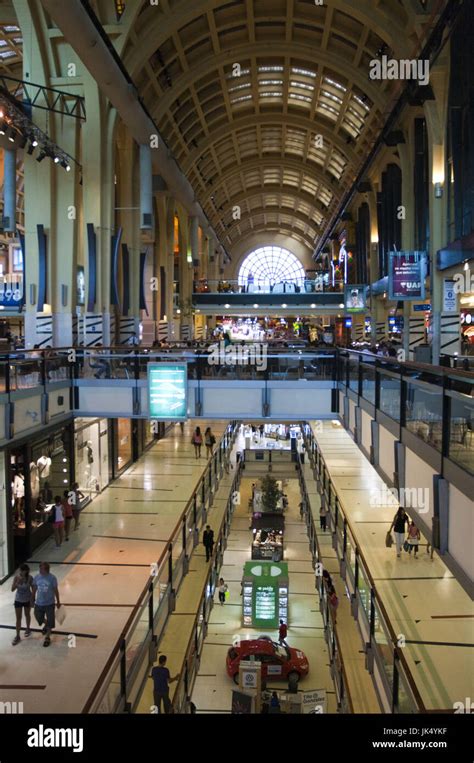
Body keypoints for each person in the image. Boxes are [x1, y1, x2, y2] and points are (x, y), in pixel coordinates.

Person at [31, 562, 61, 647]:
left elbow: (55, 590)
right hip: (39, 603)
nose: (40, 570)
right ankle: (47, 624)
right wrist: (32, 599)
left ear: (46, 569)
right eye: (40, 568)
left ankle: (47, 636)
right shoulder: (37, 577)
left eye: (41, 568)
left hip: (49, 603)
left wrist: (58, 601)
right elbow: (34, 589)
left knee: (50, 619)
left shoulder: (52, 578)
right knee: (38, 616)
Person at [11, 563, 34, 645]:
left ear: (26, 571)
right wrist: (17, 582)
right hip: (18, 600)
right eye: (20, 570)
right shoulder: (16, 577)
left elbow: (33, 588)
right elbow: (12, 589)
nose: (21, 572)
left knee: (27, 615)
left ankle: (28, 629)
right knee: (18, 618)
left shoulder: (30, 578)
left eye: (22, 571)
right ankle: (17, 636)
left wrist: (32, 599)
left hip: (27, 599)